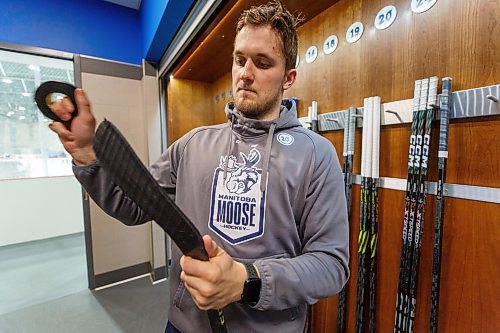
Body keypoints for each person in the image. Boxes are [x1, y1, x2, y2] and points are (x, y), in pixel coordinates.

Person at [49, 1, 349, 332]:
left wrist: (245, 281)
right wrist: (87, 154)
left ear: (288, 78)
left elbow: (330, 265)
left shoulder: (317, 155)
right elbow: (131, 205)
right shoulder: (193, 144)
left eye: (263, 64)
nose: (246, 74)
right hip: (184, 325)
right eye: (240, 60)